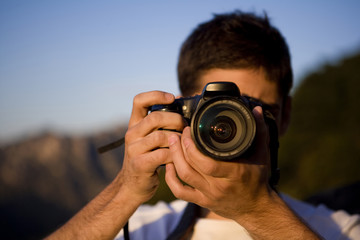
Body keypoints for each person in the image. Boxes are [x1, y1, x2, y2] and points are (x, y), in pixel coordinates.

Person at [47, 10, 360, 239]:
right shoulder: (139, 227)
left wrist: (256, 210)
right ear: (184, 114)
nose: (239, 129)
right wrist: (125, 192)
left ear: (286, 115)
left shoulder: (341, 229)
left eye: (260, 113)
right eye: (218, 113)